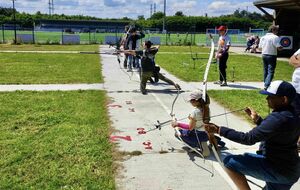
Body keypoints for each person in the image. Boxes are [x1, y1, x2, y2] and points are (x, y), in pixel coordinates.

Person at [204, 80, 300, 190]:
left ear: (284, 99)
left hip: (278, 170)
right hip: (291, 170)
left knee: (229, 163)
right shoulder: (292, 114)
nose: (267, 99)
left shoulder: (277, 119)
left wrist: (219, 130)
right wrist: (258, 120)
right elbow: (278, 131)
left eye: (270, 96)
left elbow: (248, 139)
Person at [171, 90, 225, 156]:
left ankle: (197, 145)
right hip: (206, 133)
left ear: (196, 101)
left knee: (177, 133)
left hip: (197, 134)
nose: (190, 102)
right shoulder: (206, 108)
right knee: (184, 129)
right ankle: (215, 141)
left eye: (191, 100)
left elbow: (190, 128)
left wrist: (178, 124)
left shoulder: (195, 112)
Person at [258, 25, 283, 89]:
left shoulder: (263, 37)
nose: (277, 32)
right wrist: (282, 47)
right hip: (272, 55)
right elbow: (279, 48)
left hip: (264, 54)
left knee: (265, 70)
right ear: (273, 30)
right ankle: (267, 85)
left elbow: (259, 48)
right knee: (271, 71)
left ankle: (265, 82)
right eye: (276, 30)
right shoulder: (275, 37)